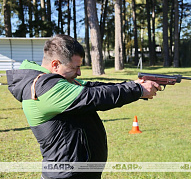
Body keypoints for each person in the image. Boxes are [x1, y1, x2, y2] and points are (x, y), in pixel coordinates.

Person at [6, 34, 161, 179]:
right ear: (55, 64)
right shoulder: (44, 87)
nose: (79, 73)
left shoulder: (55, 81)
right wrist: (137, 90)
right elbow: (93, 97)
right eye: (75, 67)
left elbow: (93, 87)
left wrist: (133, 85)